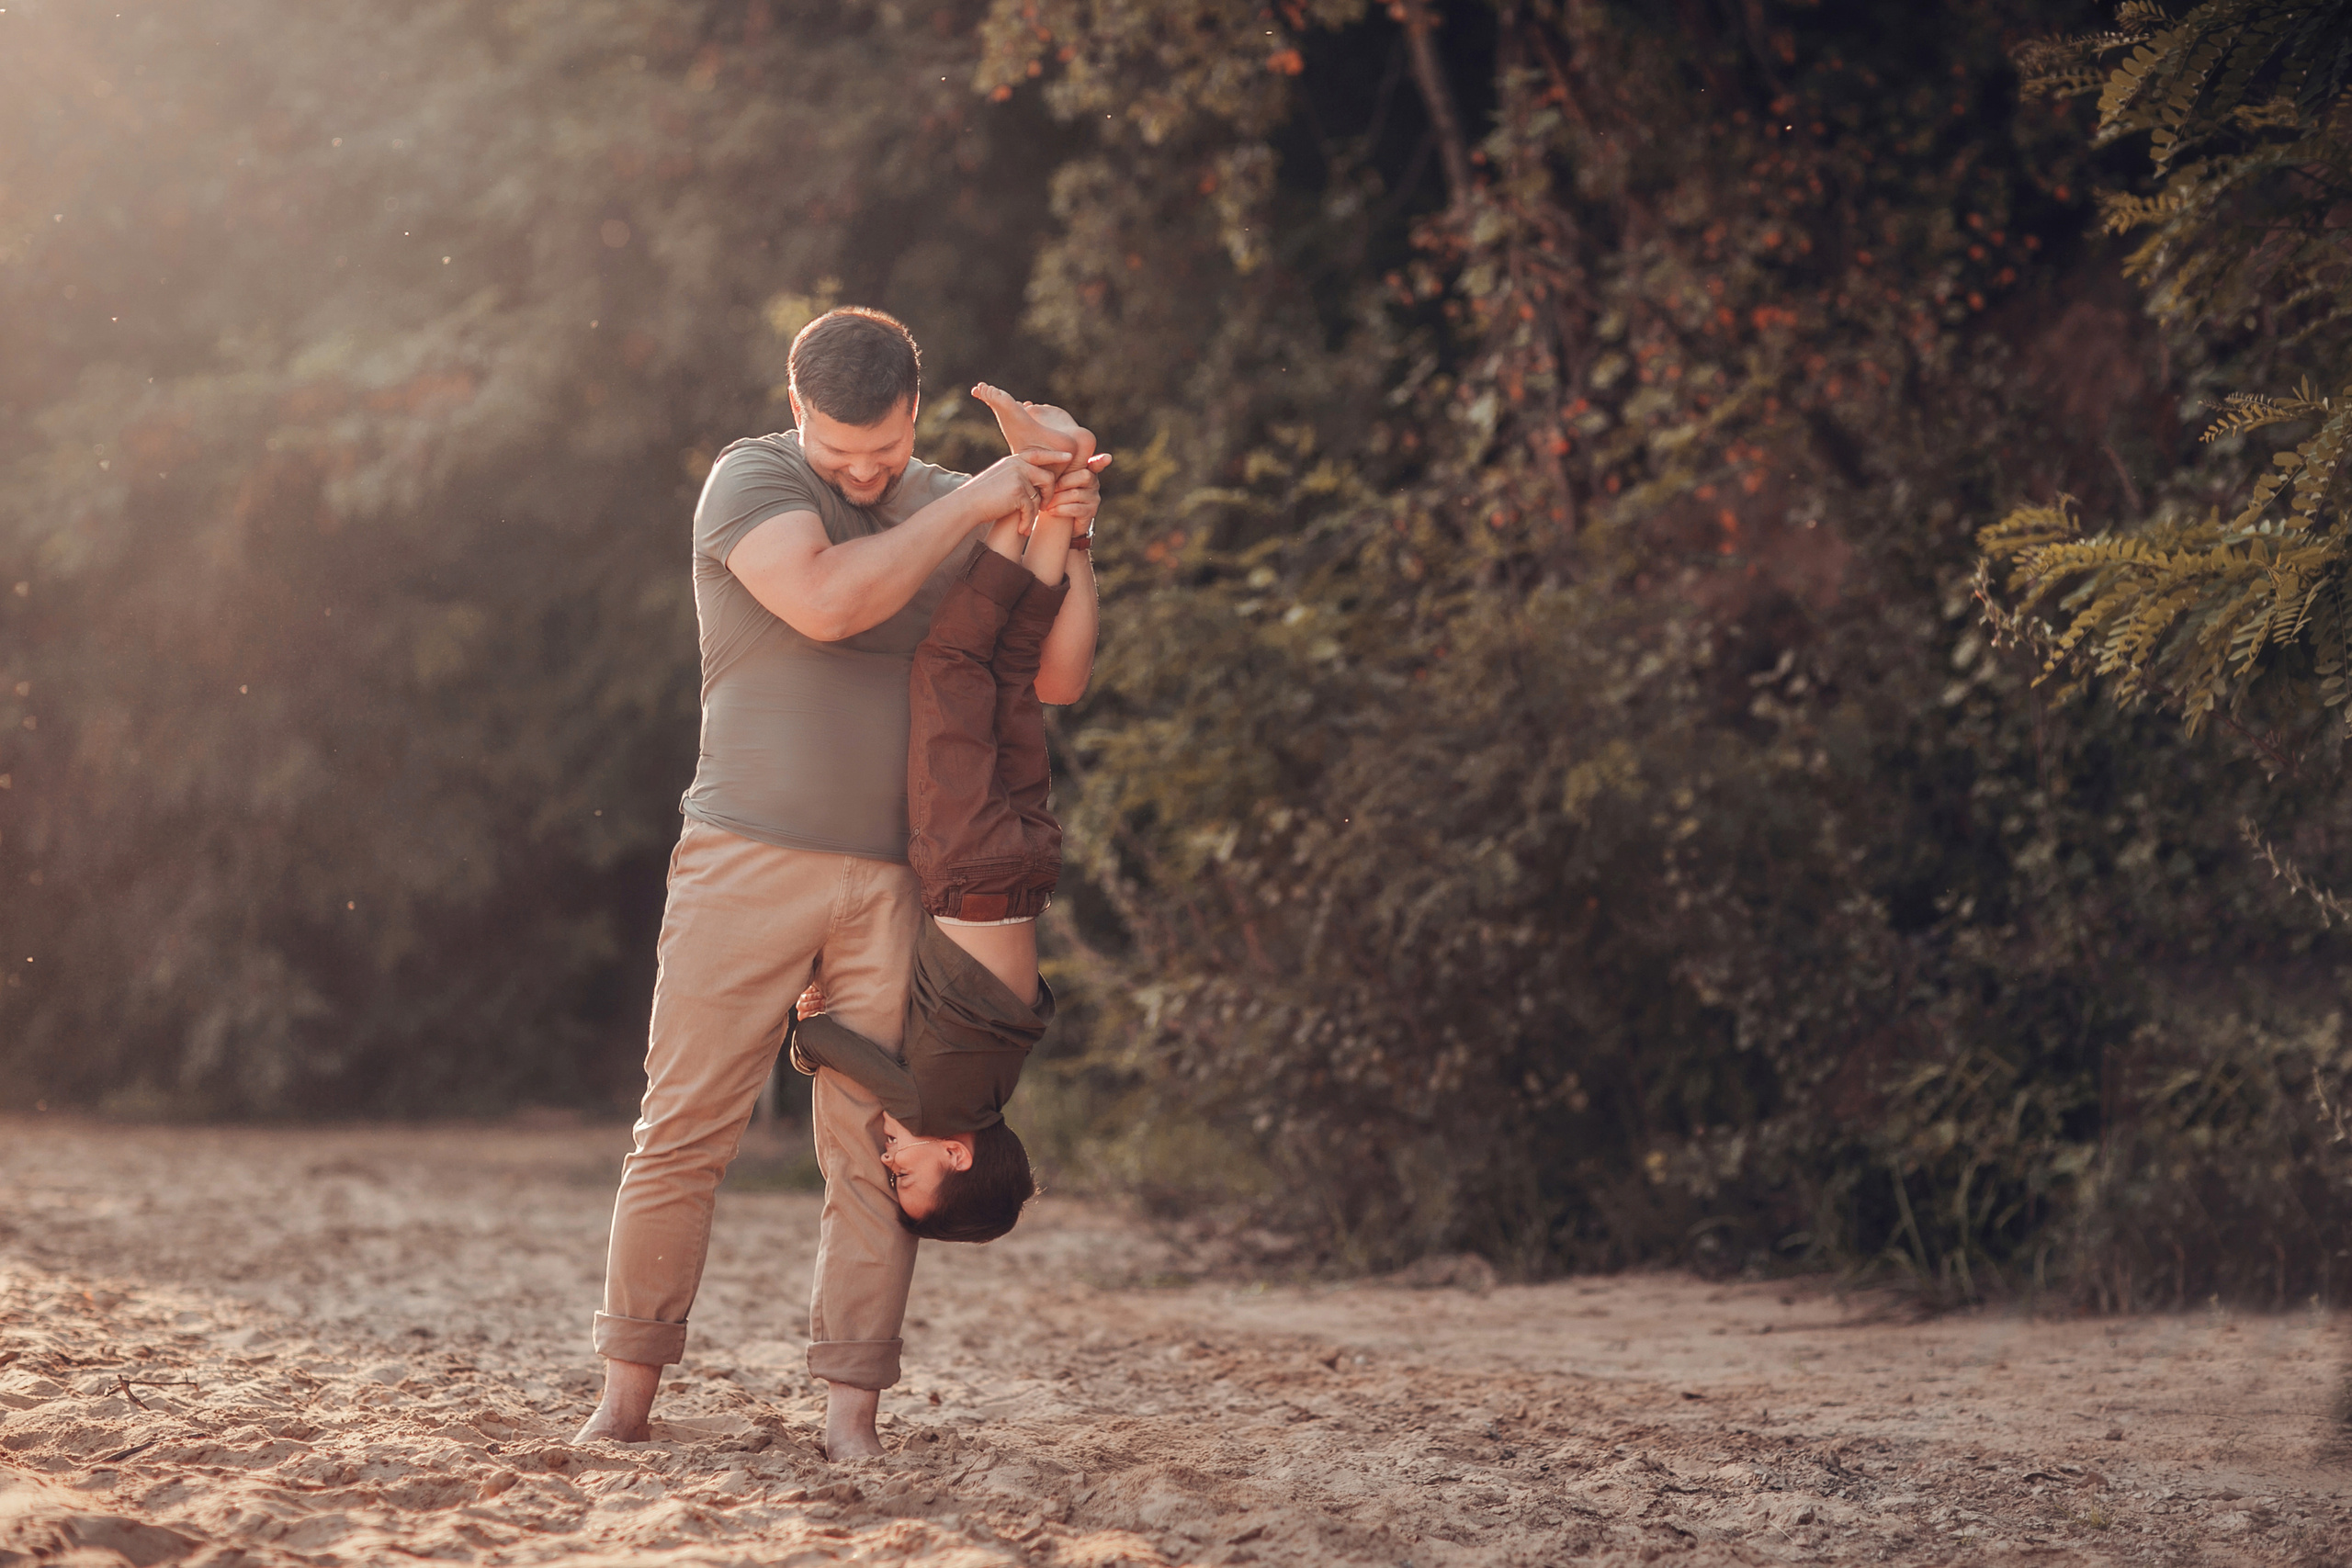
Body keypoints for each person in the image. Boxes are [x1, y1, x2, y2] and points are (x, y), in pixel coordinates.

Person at [574, 309, 1102, 1459]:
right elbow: (825, 602)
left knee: (868, 1153)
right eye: (838, 452)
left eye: (883, 451)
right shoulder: (751, 479)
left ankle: (851, 1415)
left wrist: (1067, 520)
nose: (862, 473)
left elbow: (1053, 675)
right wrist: (980, 501)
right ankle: (625, 1398)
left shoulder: (955, 487)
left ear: (915, 412)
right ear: (796, 407)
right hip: (742, 855)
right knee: (682, 1130)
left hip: (897, 881)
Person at [784, 390, 1101, 1244]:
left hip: (1030, 868)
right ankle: (1017, 497)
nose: (892, 1157)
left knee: (1004, 676)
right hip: (968, 868)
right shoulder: (931, 1105)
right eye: (907, 1171)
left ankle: (1055, 495)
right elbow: (822, 1040)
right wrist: (807, 1031)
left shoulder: (995, 1092)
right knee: (951, 661)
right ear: (957, 1154)